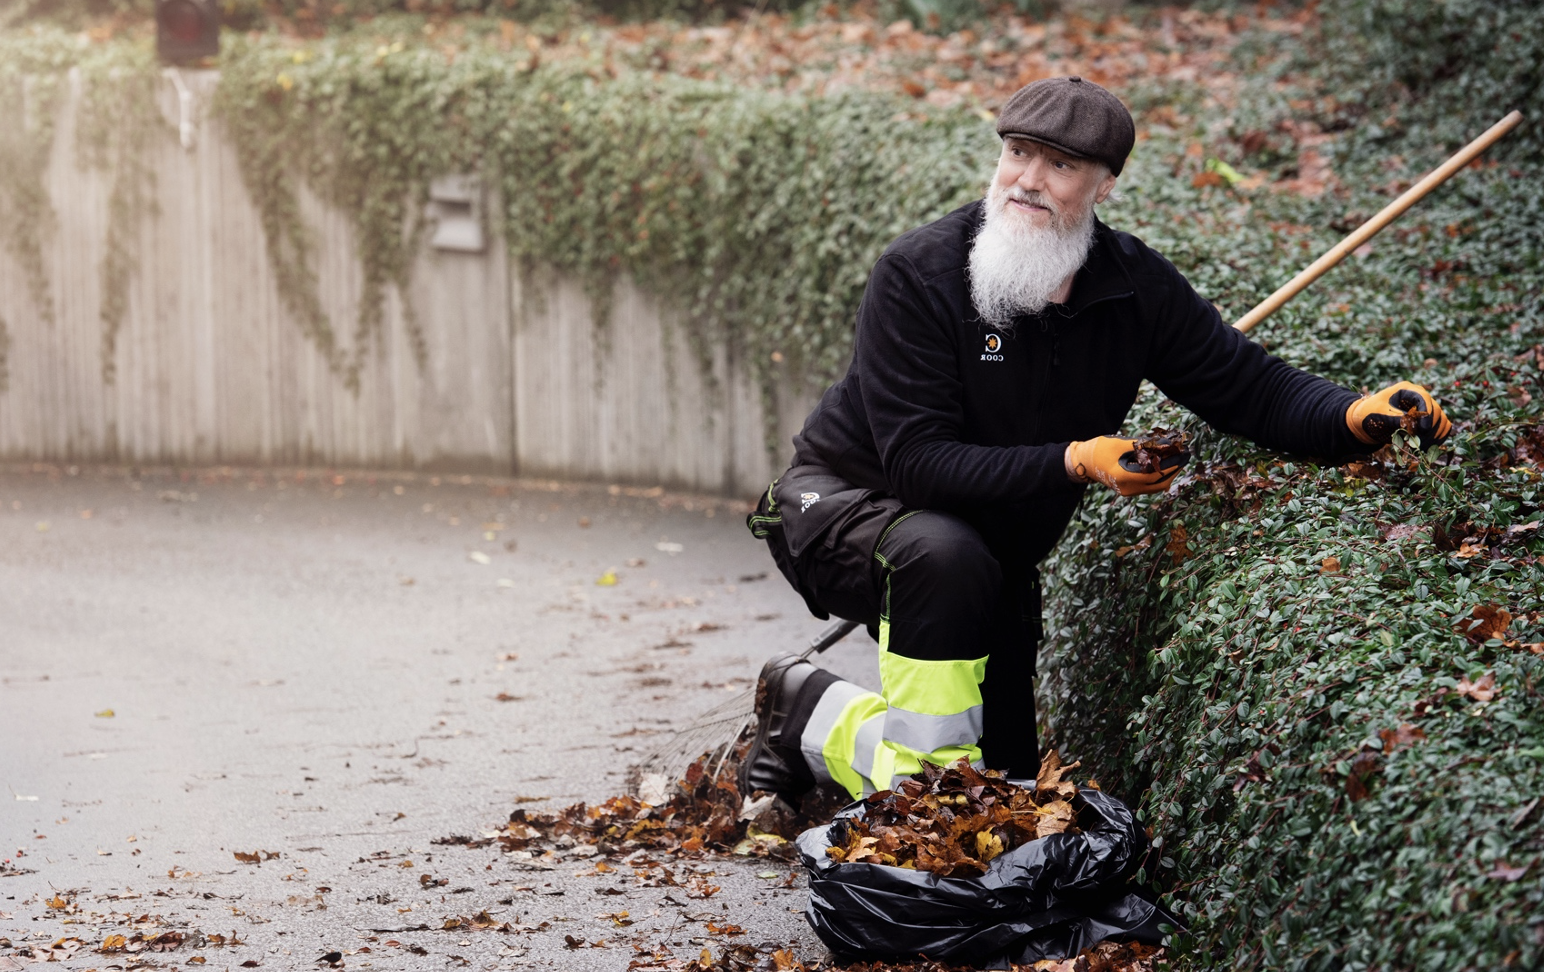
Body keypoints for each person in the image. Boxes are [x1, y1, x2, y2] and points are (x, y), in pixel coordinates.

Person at [741, 76, 1450, 804]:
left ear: (1104, 184)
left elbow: (1251, 388)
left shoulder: (1132, 288)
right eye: (1018, 153)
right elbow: (918, 466)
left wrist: (1353, 418)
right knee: (944, 593)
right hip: (839, 506)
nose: (1029, 180)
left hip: (984, 552)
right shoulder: (919, 274)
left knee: (1007, 781)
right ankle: (926, 817)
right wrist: (1075, 460)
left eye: (1061, 166)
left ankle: (804, 710)